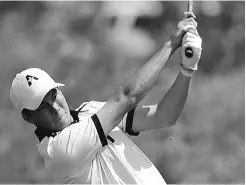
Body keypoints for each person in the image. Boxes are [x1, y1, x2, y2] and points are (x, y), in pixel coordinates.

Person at [10, 12, 202, 184]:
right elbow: (127, 96)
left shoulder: (91, 110)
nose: (54, 107)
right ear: (28, 117)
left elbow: (164, 115)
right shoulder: (58, 152)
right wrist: (171, 44)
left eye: (53, 95)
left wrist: (187, 69)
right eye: (41, 106)